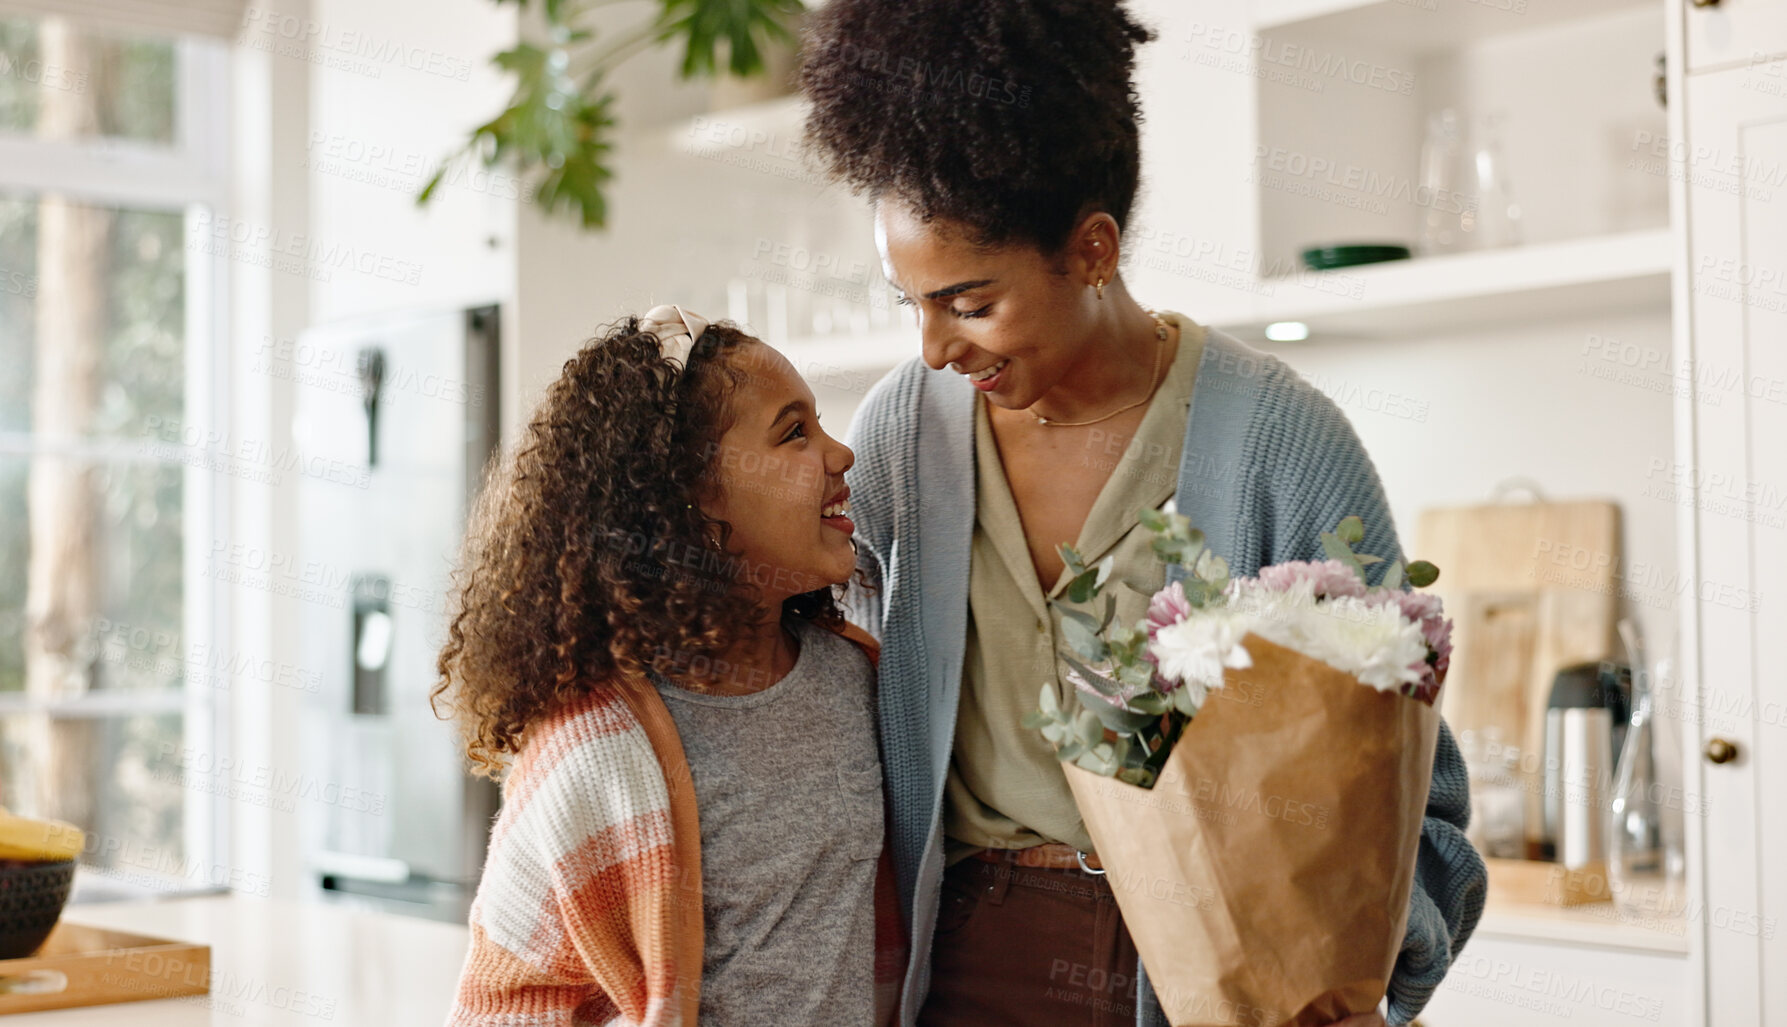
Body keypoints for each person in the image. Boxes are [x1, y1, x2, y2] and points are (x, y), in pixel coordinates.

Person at [798, 3, 1487, 1025]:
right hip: (958, 967)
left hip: (1206, 973)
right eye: (914, 303)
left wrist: (1351, 984)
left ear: (1092, 248)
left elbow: (1404, 792)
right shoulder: (907, 429)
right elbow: (827, 681)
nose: (937, 347)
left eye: (971, 301)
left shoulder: (1278, 443)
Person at [434, 307, 904, 1026]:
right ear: (689, 495)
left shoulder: (858, 677)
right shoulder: (591, 751)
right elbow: (507, 995)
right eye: (793, 433)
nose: (840, 454)